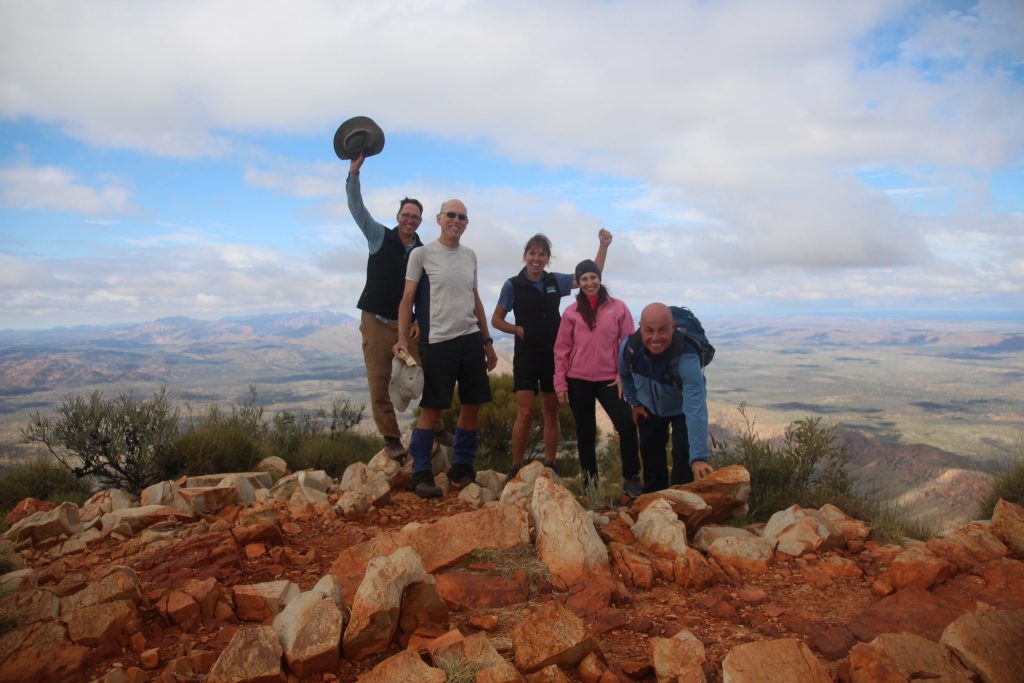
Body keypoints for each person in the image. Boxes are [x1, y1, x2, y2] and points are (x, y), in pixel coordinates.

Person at [393, 199, 498, 498]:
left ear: (467, 223)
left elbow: (475, 297)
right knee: (432, 408)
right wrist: (402, 339)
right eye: (450, 215)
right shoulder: (421, 254)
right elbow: (407, 299)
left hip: (469, 338)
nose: (456, 220)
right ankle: (421, 473)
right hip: (437, 341)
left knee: (472, 404)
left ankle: (462, 467)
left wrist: (487, 341)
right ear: (439, 219)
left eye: (462, 216)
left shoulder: (470, 256)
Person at [490, 230, 612, 480]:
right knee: (525, 411)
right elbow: (496, 320)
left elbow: (590, 275)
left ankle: (551, 462)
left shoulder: (555, 281)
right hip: (525, 355)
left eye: (542, 254)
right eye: (533, 253)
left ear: (547, 258)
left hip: (554, 356)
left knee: (551, 411)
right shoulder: (512, 285)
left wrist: (603, 246)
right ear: (525, 255)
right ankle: (516, 465)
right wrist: (518, 330)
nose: (537, 258)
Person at [345, 151, 424, 459]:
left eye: (415, 216)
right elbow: (357, 209)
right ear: (397, 217)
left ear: (420, 221)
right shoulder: (378, 236)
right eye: (405, 215)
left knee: (426, 376)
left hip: (408, 326)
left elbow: (425, 293)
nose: (409, 219)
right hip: (376, 321)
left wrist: (420, 321)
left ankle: (435, 426)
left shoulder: (423, 251)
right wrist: (354, 175)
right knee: (379, 381)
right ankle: (391, 439)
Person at [553, 259, 642, 496]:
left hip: (609, 380)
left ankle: (631, 477)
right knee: (585, 431)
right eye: (584, 279)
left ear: (599, 279)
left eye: (593, 277)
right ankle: (590, 483)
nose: (589, 282)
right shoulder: (571, 312)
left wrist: (622, 377)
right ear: (579, 283)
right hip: (577, 379)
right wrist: (560, 383)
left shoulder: (619, 307)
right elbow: (561, 349)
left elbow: (627, 345)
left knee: (626, 423)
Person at [618, 302, 715, 491]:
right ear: (640, 327)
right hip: (649, 407)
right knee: (651, 462)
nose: (655, 338)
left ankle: (680, 510)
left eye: (662, 330)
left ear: (673, 328)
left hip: (682, 410)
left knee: (683, 466)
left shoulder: (686, 358)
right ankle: (655, 507)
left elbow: (695, 409)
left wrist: (699, 458)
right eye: (649, 331)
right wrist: (635, 402)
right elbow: (624, 375)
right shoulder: (629, 348)